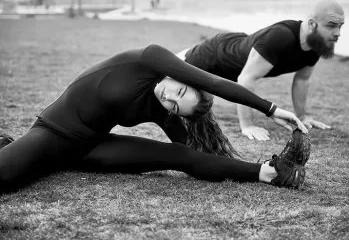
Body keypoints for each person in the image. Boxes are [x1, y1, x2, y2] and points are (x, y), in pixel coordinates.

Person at [0, 44, 310, 193]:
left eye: (176, 107)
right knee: (6, 177)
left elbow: (192, 157)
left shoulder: (162, 108)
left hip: (91, 148)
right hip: (53, 132)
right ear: (181, 76)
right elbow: (216, 84)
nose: (169, 100)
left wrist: (225, 164)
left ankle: (270, 173)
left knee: (179, 155)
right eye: (179, 92)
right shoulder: (151, 59)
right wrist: (271, 109)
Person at [177, 0, 344, 141]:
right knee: (170, 72)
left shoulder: (315, 46)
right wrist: (247, 125)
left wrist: (303, 116)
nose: (338, 33)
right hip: (215, 54)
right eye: (332, 25)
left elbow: (302, 80)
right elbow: (245, 79)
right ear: (312, 24)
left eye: (340, 26)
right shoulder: (280, 37)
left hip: (237, 47)